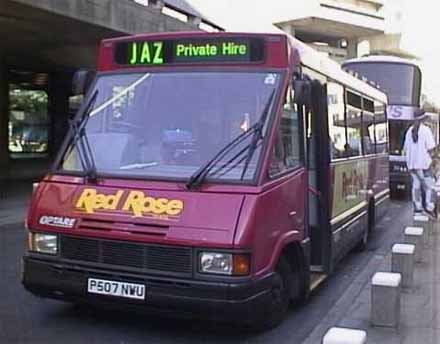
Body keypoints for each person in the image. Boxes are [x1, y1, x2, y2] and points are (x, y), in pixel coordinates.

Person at [403, 109, 437, 214]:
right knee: (430, 186)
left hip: (412, 165)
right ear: (423, 118)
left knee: (416, 185)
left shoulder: (409, 131)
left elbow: (405, 149)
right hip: (424, 165)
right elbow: (431, 148)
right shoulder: (426, 130)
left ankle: (417, 206)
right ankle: (430, 206)